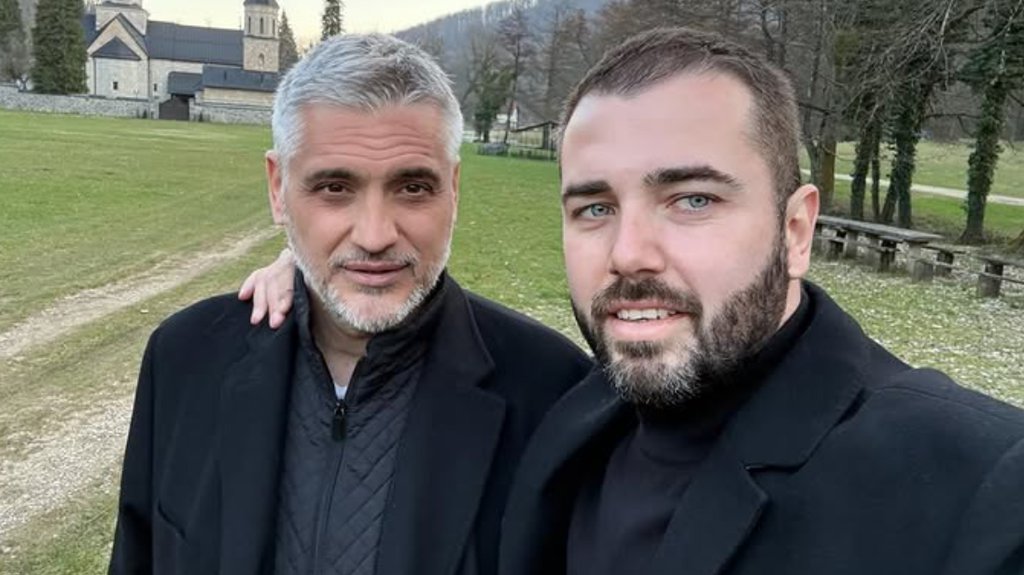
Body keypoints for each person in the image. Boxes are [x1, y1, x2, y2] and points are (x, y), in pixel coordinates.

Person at [246, 27, 1024, 575]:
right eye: (595, 207)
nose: (629, 253)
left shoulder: (978, 485)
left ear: (795, 229)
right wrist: (319, 267)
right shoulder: (573, 418)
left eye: (691, 199)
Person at [107, 34, 590, 575]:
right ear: (278, 188)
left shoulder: (553, 393)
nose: (375, 235)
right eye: (335, 188)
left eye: (413, 188)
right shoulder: (185, 358)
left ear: (453, 190)